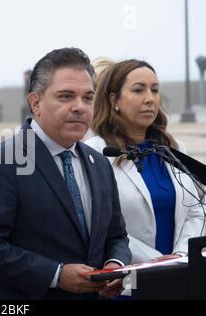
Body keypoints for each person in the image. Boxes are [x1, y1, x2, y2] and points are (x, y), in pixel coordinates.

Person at [0, 47, 131, 300]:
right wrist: (56, 274)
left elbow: (116, 235)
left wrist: (115, 266)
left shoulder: (100, 163)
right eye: (65, 96)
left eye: (88, 98)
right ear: (35, 102)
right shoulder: (1, 161)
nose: (80, 107)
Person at [85, 59, 205, 264]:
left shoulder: (174, 149)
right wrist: (155, 261)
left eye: (155, 90)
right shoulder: (94, 153)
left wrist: (180, 255)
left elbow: (197, 210)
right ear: (114, 100)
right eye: (139, 90)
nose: (150, 99)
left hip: (179, 271)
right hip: (126, 278)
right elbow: (99, 223)